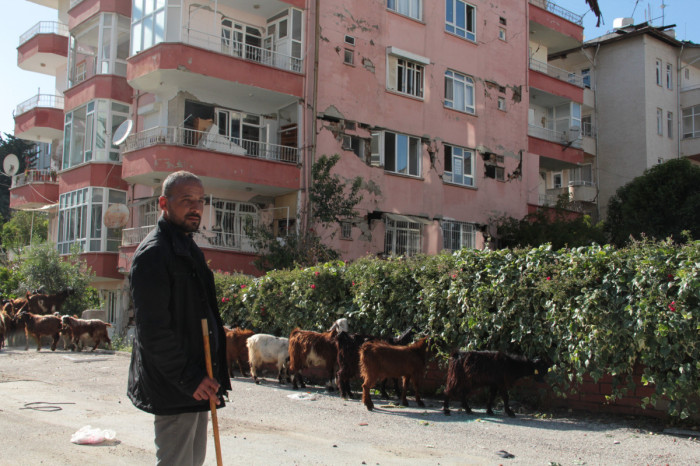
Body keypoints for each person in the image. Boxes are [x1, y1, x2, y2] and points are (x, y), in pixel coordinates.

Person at [128, 170, 231, 465]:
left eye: (200, 200)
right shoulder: (154, 255)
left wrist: (208, 376)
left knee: (192, 462)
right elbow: (153, 332)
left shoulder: (188, 248)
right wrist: (190, 378)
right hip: (178, 385)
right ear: (164, 203)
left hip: (199, 381)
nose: (196, 207)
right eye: (187, 200)